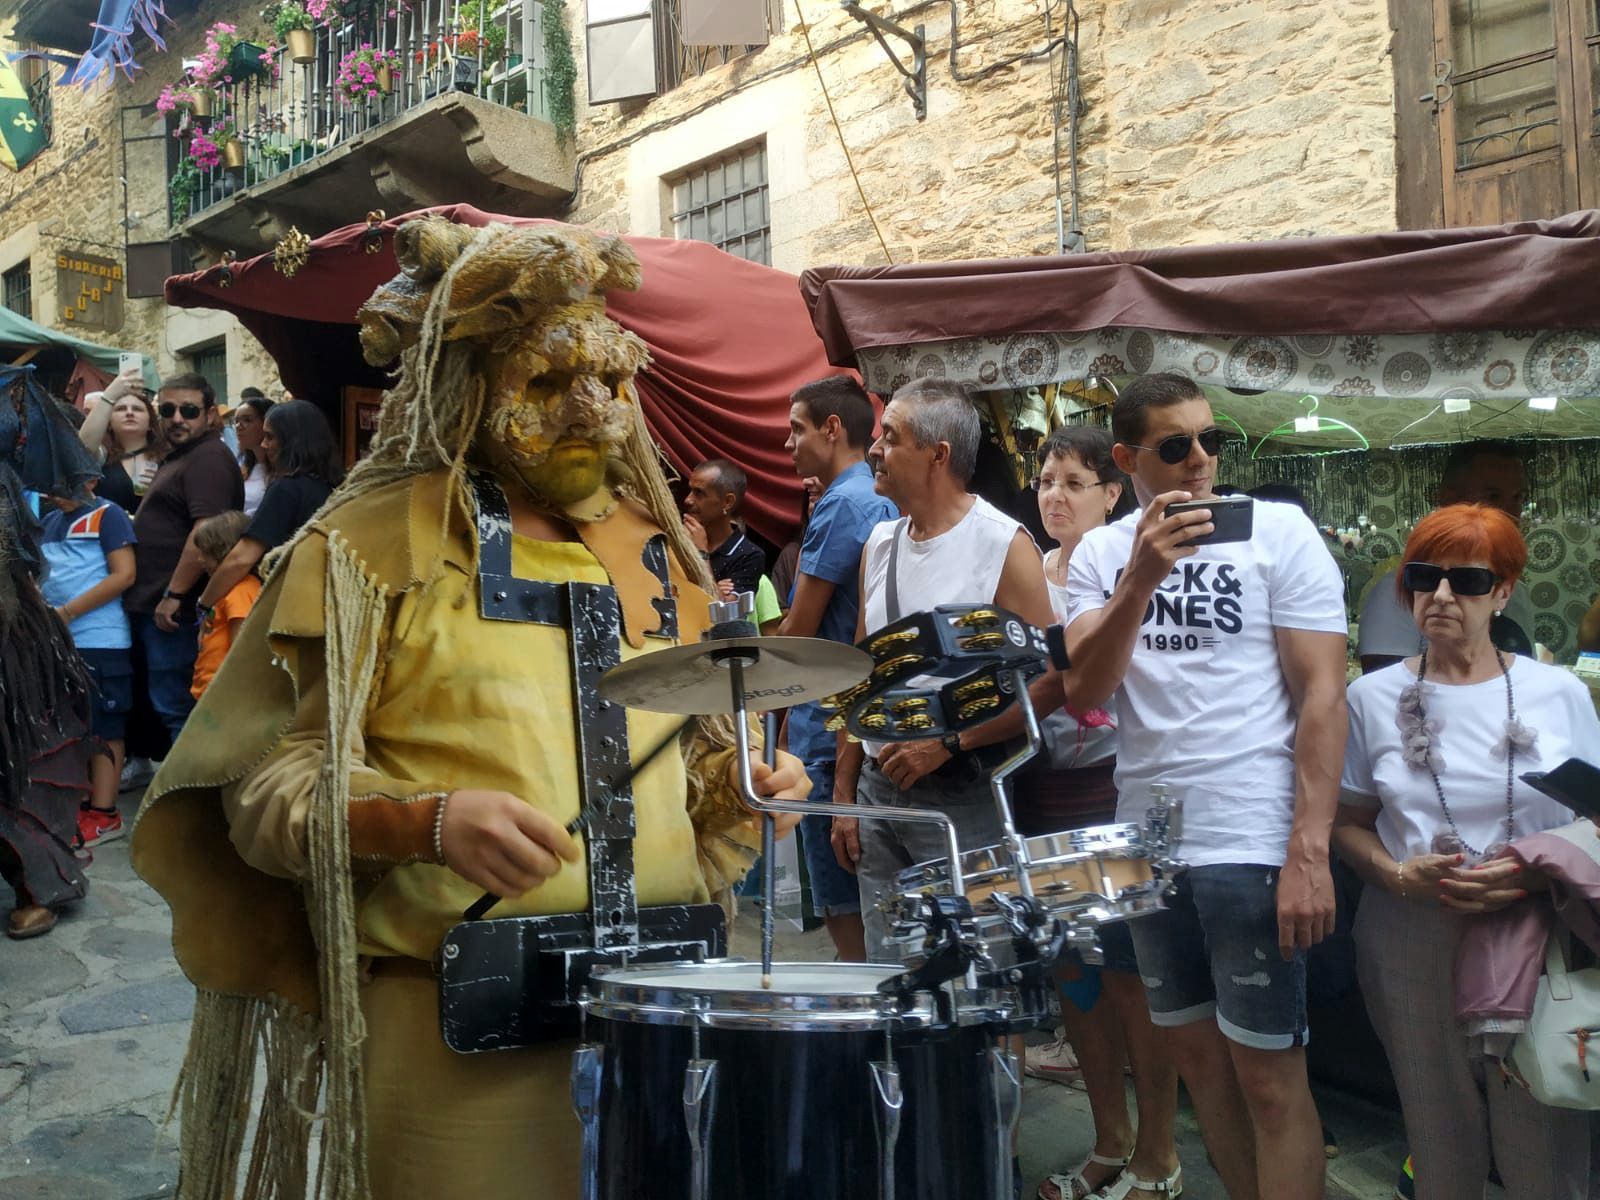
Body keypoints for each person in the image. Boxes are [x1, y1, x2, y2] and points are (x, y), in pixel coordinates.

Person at [129, 217, 811, 1200]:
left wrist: (743, 783)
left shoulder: (653, 547)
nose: (590, 414)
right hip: (458, 1035)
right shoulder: (370, 544)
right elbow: (265, 793)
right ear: (468, 385)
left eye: (612, 385)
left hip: (664, 1014)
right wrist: (427, 822)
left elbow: (684, 754)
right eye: (544, 384)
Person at [1063, 372, 1348, 1200]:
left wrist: (1310, 848)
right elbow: (1085, 691)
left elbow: (1323, 696)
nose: (1200, 461)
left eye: (1211, 441)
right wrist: (1140, 581)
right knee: (1197, 1066)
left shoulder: (1279, 532)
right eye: (1175, 445)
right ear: (1126, 459)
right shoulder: (1103, 554)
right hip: (1146, 846)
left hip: (1251, 834)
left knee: (1269, 1077)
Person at [1333, 504, 1597, 1200]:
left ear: (1504, 591)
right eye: (1424, 577)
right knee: (1436, 1129)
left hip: (1537, 934)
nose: (1442, 596)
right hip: (1411, 930)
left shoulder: (1560, 694)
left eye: (1468, 581)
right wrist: (1395, 873)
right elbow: (1348, 821)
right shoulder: (1370, 698)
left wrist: (1536, 873)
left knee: (1543, 1130)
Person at [833, 377, 1059, 959]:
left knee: (976, 972)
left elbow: (1052, 680)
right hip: (878, 792)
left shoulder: (1004, 545)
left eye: (891, 437)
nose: (874, 450)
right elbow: (862, 675)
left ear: (939, 456)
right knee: (894, 975)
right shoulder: (880, 542)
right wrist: (845, 797)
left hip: (964, 794)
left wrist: (951, 744)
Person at [1026, 425, 1180, 1200]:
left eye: (1073, 482)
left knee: (1128, 977)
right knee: (1072, 975)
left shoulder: (1132, 562)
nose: (1054, 494)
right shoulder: (1028, 570)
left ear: (1112, 492)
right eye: (1046, 480)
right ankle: (1108, 1138)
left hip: (1111, 790)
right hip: (1040, 793)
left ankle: (1160, 1152)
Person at [776, 376, 898, 962]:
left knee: (845, 909)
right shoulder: (876, 497)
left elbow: (798, 630)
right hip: (858, 720)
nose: (787, 443)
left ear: (832, 428)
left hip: (828, 728)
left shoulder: (844, 503)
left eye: (796, 428)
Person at [1, 370, 98, 938]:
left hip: (11, 619)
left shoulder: (15, 386)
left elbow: (69, 461)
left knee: (21, 750)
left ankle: (38, 881)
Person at [125, 373, 246, 743]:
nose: (177, 418)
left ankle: (188, 797)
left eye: (189, 410)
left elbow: (204, 533)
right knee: (164, 704)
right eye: (168, 409)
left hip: (176, 610)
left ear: (210, 415)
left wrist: (174, 595)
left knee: (179, 708)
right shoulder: (185, 455)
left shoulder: (208, 457)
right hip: (157, 603)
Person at [1358, 441, 1533, 673]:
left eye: (1518, 497)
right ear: (1449, 498)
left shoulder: (1517, 593)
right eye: (1493, 496)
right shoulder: (1403, 588)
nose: (1510, 512)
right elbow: (1388, 696)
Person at [38, 480, 138, 848]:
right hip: (59, 641)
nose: (51, 484)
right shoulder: (48, 521)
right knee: (72, 723)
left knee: (105, 726)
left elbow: (124, 574)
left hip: (100, 640)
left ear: (91, 479)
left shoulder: (108, 515)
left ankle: (105, 813)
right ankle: (83, 803)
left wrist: (67, 612)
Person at [192, 400, 343, 616]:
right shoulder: (334, 485)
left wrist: (205, 603)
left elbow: (242, 558)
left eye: (270, 437)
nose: (264, 445)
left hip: (286, 604)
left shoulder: (287, 488)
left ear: (292, 441)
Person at [77, 365, 167, 515]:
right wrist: (110, 395)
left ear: (151, 423)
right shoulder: (102, 457)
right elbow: (81, 449)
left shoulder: (166, 457)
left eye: (137, 409)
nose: (129, 413)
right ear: (109, 423)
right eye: (121, 409)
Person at [190, 511, 261, 700]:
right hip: (209, 691)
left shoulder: (241, 590)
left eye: (206, 553)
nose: (200, 560)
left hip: (223, 695)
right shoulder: (225, 590)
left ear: (224, 552)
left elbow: (241, 649)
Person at [682, 457, 767, 597]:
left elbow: (722, 613)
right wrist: (715, 587)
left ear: (727, 502)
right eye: (690, 490)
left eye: (699, 493)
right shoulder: (676, 539)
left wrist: (701, 555)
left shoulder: (749, 555)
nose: (688, 500)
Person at [232, 394, 275, 517]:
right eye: (236, 421)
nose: (238, 427)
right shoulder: (244, 469)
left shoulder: (280, 472)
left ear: (266, 423)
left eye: (247, 420)